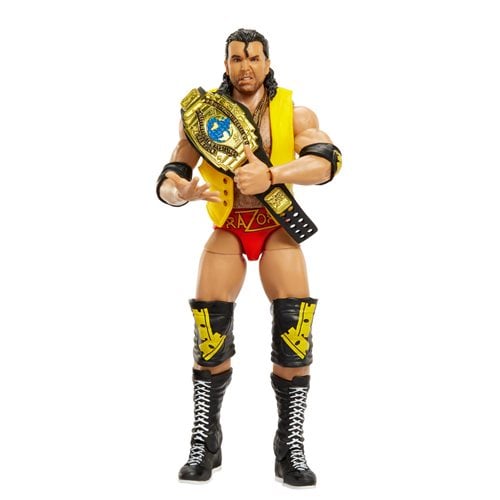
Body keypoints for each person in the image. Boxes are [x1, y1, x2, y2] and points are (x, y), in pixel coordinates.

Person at [156, 28, 341, 487]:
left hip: (277, 230)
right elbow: (171, 172)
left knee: (295, 335)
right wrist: (179, 193)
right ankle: (206, 440)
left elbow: (328, 161)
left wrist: (273, 175)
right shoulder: (201, 116)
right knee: (209, 337)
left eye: (254, 58)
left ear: (267, 63)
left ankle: (289, 446)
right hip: (228, 228)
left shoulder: (293, 113)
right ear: (226, 64)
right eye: (237, 58)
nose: (245, 67)